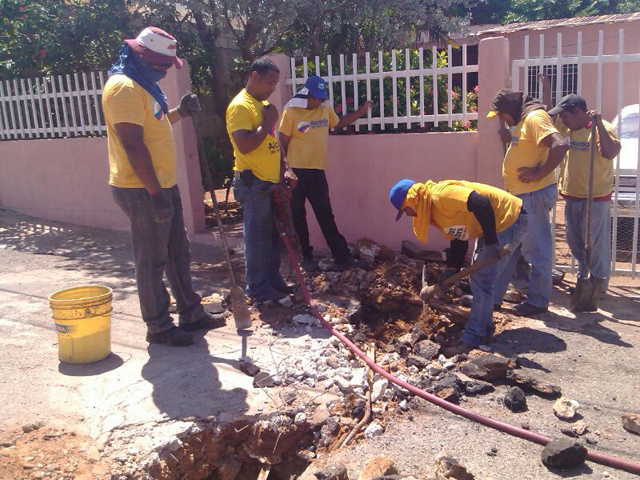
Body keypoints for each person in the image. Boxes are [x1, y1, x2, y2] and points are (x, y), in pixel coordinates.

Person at [103, 27, 225, 347]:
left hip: (161, 184)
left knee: (177, 253)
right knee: (152, 258)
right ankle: (157, 326)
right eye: (164, 65)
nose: (167, 70)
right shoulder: (123, 88)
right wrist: (155, 193)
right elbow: (132, 144)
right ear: (144, 59)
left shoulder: (144, 86)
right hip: (141, 189)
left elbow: (153, 126)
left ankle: (190, 312)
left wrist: (180, 113)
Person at [389, 179, 528, 357]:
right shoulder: (433, 211)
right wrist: (452, 268)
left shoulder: (441, 196)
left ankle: (473, 338)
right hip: (496, 224)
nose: (408, 215)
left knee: (482, 281)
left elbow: (481, 203)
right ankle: (484, 329)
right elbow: (458, 236)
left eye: (405, 210)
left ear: (411, 199)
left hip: (508, 219)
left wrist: (492, 243)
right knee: (480, 281)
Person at [487, 89, 568, 317]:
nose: (502, 119)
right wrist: (510, 136)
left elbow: (560, 145)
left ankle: (538, 301)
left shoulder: (535, 118)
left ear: (511, 108)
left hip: (532, 193)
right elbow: (528, 146)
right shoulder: (523, 121)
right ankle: (492, 298)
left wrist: (540, 172)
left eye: (502, 115)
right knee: (509, 248)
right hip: (521, 195)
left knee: (537, 248)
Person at [278, 76, 373, 271]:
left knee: (325, 214)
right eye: (315, 98)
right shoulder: (292, 110)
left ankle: (341, 257)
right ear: (307, 94)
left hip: (317, 169)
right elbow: (282, 141)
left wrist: (362, 111)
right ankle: (306, 257)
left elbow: (337, 124)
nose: (318, 102)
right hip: (296, 172)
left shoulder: (324, 107)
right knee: (298, 215)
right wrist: (286, 169)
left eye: (321, 98)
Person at [226, 58, 297, 302]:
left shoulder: (264, 105)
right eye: (270, 82)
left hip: (270, 181)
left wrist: (285, 168)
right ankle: (257, 288)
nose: (273, 88)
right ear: (254, 76)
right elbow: (244, 145)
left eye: (276, 83)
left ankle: (273, 279)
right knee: (257, 239)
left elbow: (273, 142)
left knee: (273, 236)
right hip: (253, 182)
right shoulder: (240, 107)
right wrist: (267, 122)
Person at [548, 94, 621, 297]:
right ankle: (584, 279)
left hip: (595, 197)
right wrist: (547, 89)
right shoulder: (568, 128)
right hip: (572, 196)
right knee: (576, 243)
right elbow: (549, 121)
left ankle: (598, 285)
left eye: (565, 116)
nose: (562, 120)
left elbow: (611, 152)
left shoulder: (601, 128)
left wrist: (597, 125)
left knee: (595, 245)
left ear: (578, 112)